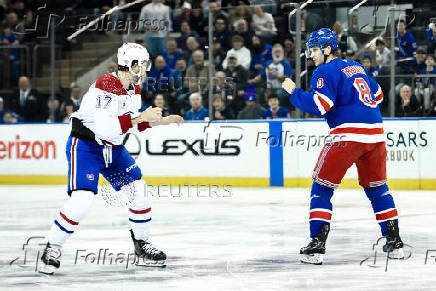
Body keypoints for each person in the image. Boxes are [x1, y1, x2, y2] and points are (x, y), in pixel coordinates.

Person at [39, 43, 184, 275]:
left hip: (113, 148)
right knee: (82, 202)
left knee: (140, 191)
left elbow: (129, 122)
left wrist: (160, 121)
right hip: (86, 146)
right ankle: (52, 247)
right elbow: (107, 128)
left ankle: (141, 245)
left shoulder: (133, 88)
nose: (146, 69)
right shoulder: (106, 85)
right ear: (134, 65)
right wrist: (140, 118)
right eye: (144, 64)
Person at [281, 28, 404, 265]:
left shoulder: (324, 70)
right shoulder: (357, 67)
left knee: (322, 189)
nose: (311, 55)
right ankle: (394, 241)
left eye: (315, 50)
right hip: (376, 136)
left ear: (328, 49)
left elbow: (320, 105)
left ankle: (317, 245)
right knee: (378, 189)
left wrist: (294, 92)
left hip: (347, 136)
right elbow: (378, 95)